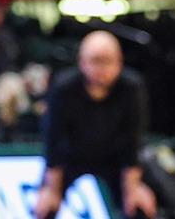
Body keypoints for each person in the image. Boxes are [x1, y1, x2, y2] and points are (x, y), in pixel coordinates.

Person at [36, 31, 155, 218]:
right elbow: (53, 141)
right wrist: (52, 189)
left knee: (140, 204)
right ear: (82, 62)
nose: (101, 69)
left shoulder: (132, 88)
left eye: (107, 61)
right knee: (45, 205)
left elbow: (133, 141)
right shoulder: (63, 88)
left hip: (114, 160)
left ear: (119, 62)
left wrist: (132, 189)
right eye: (95, 61)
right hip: (72, 159)